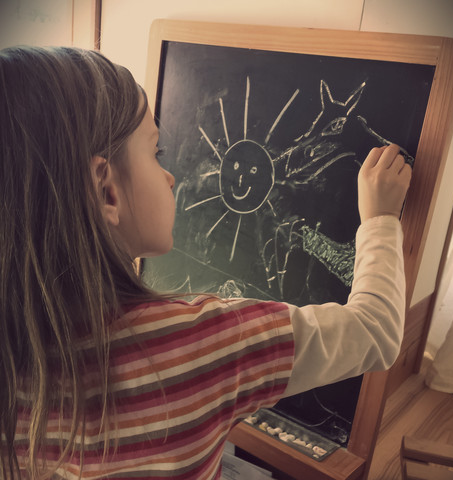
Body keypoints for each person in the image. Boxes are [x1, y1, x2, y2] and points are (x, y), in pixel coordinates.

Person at [0, 46, 412, 480]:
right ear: (107, 192)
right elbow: (376, 331)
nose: (171, 175)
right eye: (156, 153)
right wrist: (381, 220)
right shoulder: (203, 344)